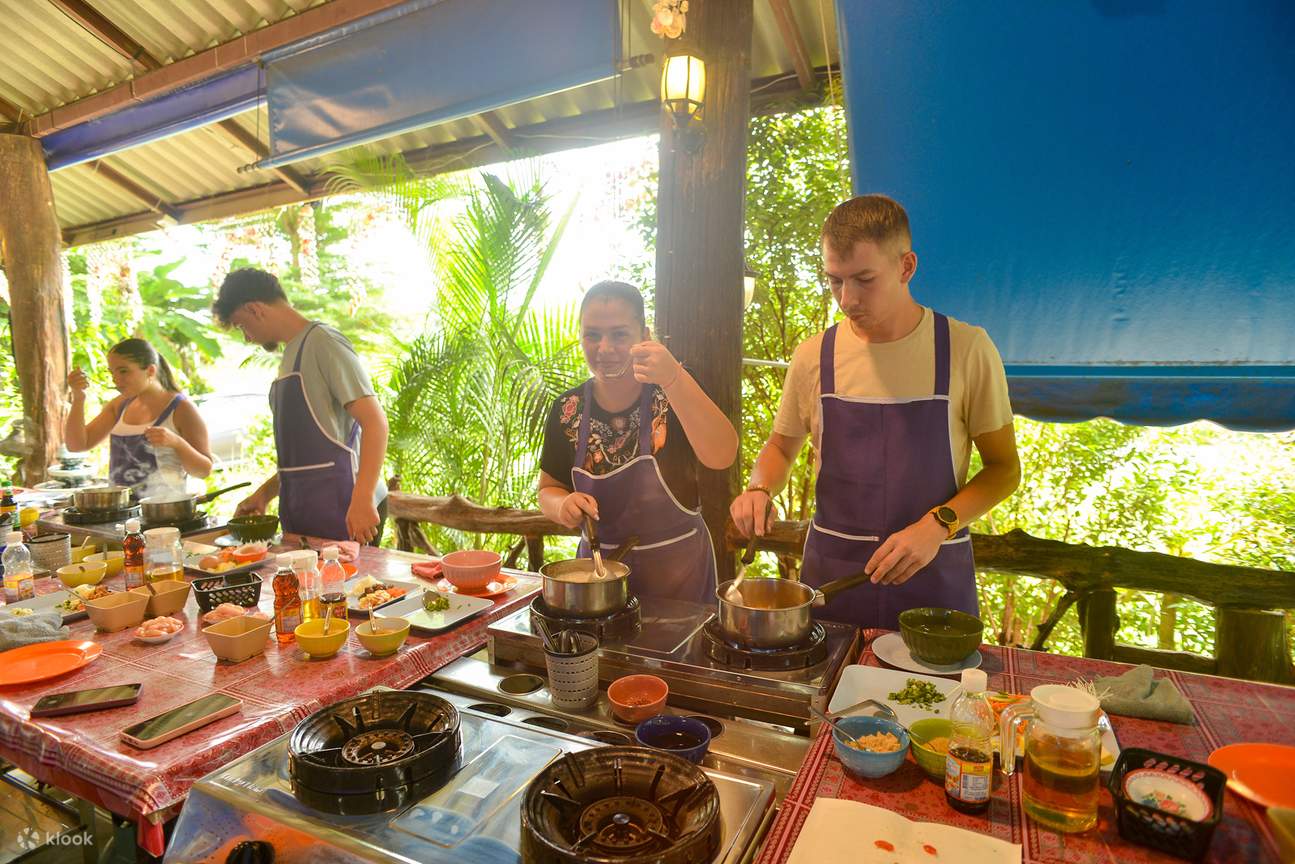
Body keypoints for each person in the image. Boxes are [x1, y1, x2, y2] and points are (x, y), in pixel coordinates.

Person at [731, 195, 1020, 630]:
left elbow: (1004, 470)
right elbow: (781, 445)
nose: (847, 300)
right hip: (834, 577)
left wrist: (938, 524)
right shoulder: (815, 356)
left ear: (906, 267)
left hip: (933, 576)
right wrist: (759, 489)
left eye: (864, 279)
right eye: (834, 281)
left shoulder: (965, 349)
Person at [538, 280, 738, 605]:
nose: (604, 348)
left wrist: (673, 377)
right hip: (599, 580)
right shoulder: (567, 409)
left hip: (680, 576)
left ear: (644, 337)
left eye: (619, 334)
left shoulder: (674, 390)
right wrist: (562, 505)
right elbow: (548, 487)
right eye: (592, 335)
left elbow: (723, 455)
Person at [212, 268, 389, 544]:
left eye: (241, 326)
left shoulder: (324, 342)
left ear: (254, 309)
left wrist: (363, 498)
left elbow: (375, 423)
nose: (247, 337)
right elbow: (306, 459)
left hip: (348, 507)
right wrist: (264, 494)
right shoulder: (290, 355)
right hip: (307, 512)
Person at [64, 338, 212, 493]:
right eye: (112, 372)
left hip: (165, 513)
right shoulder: (119, 405)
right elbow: (77, 445)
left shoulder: (182, 409)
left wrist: (177, 443)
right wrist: (78, 397)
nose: (115, 379)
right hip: (121, 511)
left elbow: (203, 471)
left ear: (150, 371)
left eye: (123, 371)